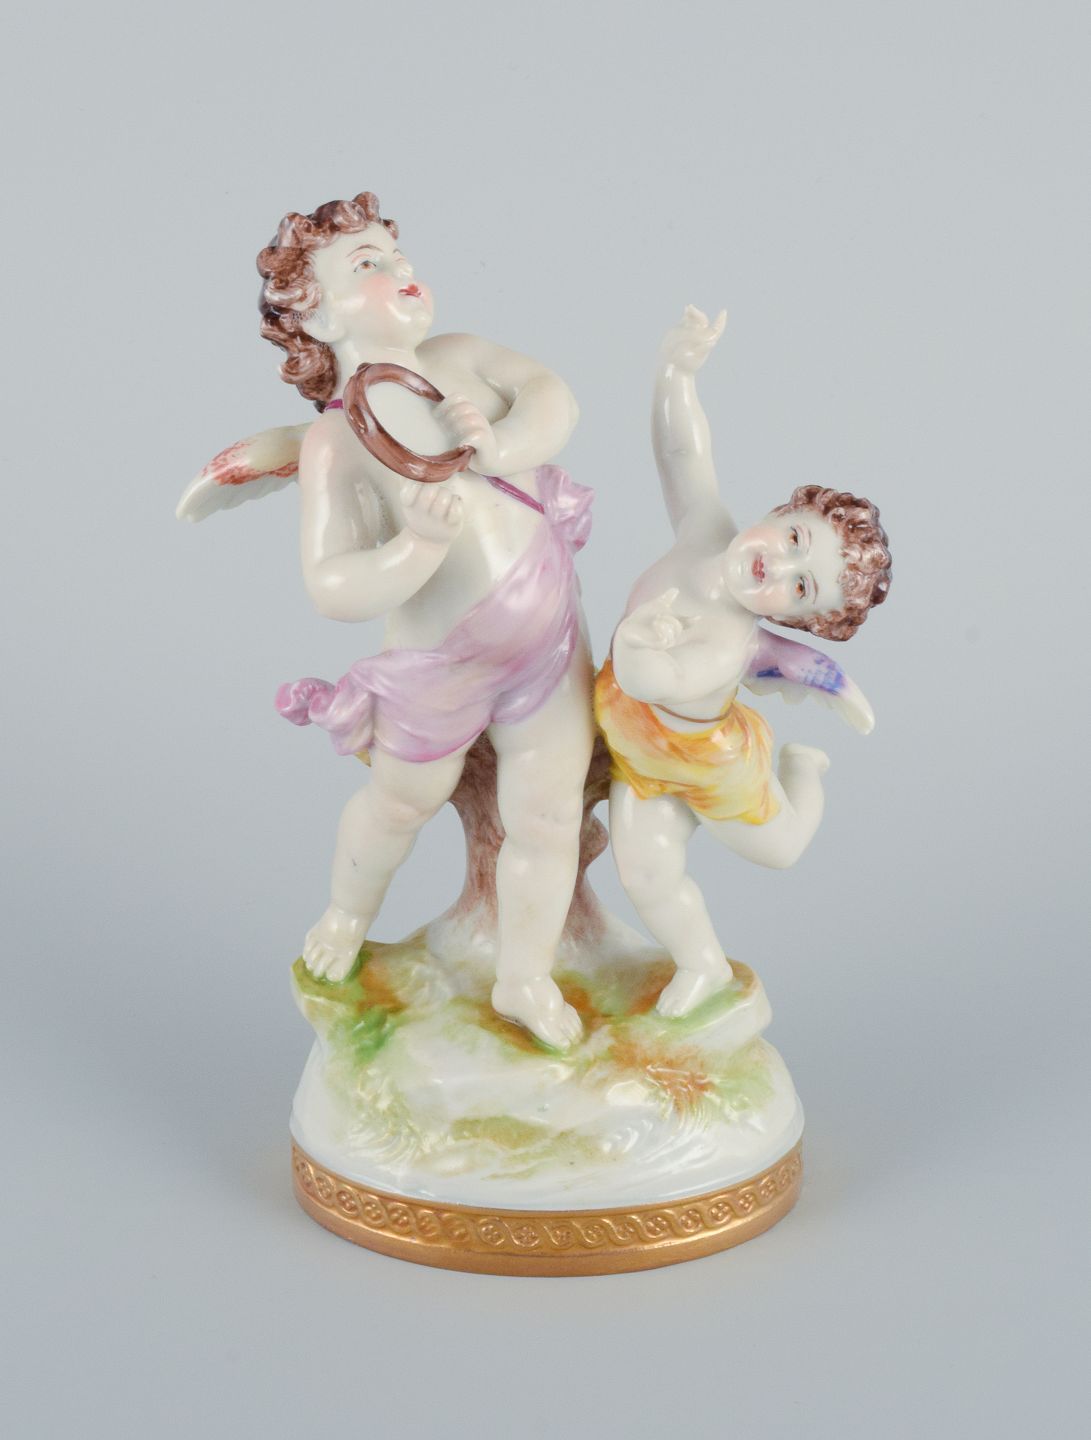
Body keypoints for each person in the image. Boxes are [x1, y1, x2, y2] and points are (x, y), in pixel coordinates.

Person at [257, 192, 594, 1049]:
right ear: (317, 313)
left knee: (548, 814)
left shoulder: (459, 358)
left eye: (399, 256)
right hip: (441, 662)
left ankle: (523, 975)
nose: (400, 269)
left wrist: (506, 443)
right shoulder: (338, 439)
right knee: (402, 801)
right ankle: (346, 912)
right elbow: (333, 585)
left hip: (547, 633)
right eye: (368, 264)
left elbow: (552, 395)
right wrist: (414, 550)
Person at [596, 306, 891, 1019]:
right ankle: (699, 962)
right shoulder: (707, 531)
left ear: (793, 620)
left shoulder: (730, 641)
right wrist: (677, 373)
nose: (777, 565)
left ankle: (801, 771)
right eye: (793, 539)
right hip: (630, 737)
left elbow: (654, 676)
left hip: (701, 760)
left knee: (781, 848)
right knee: (643, 872)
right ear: (779, 513)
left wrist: (636, 639)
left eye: (799, 588)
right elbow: (680, 455)